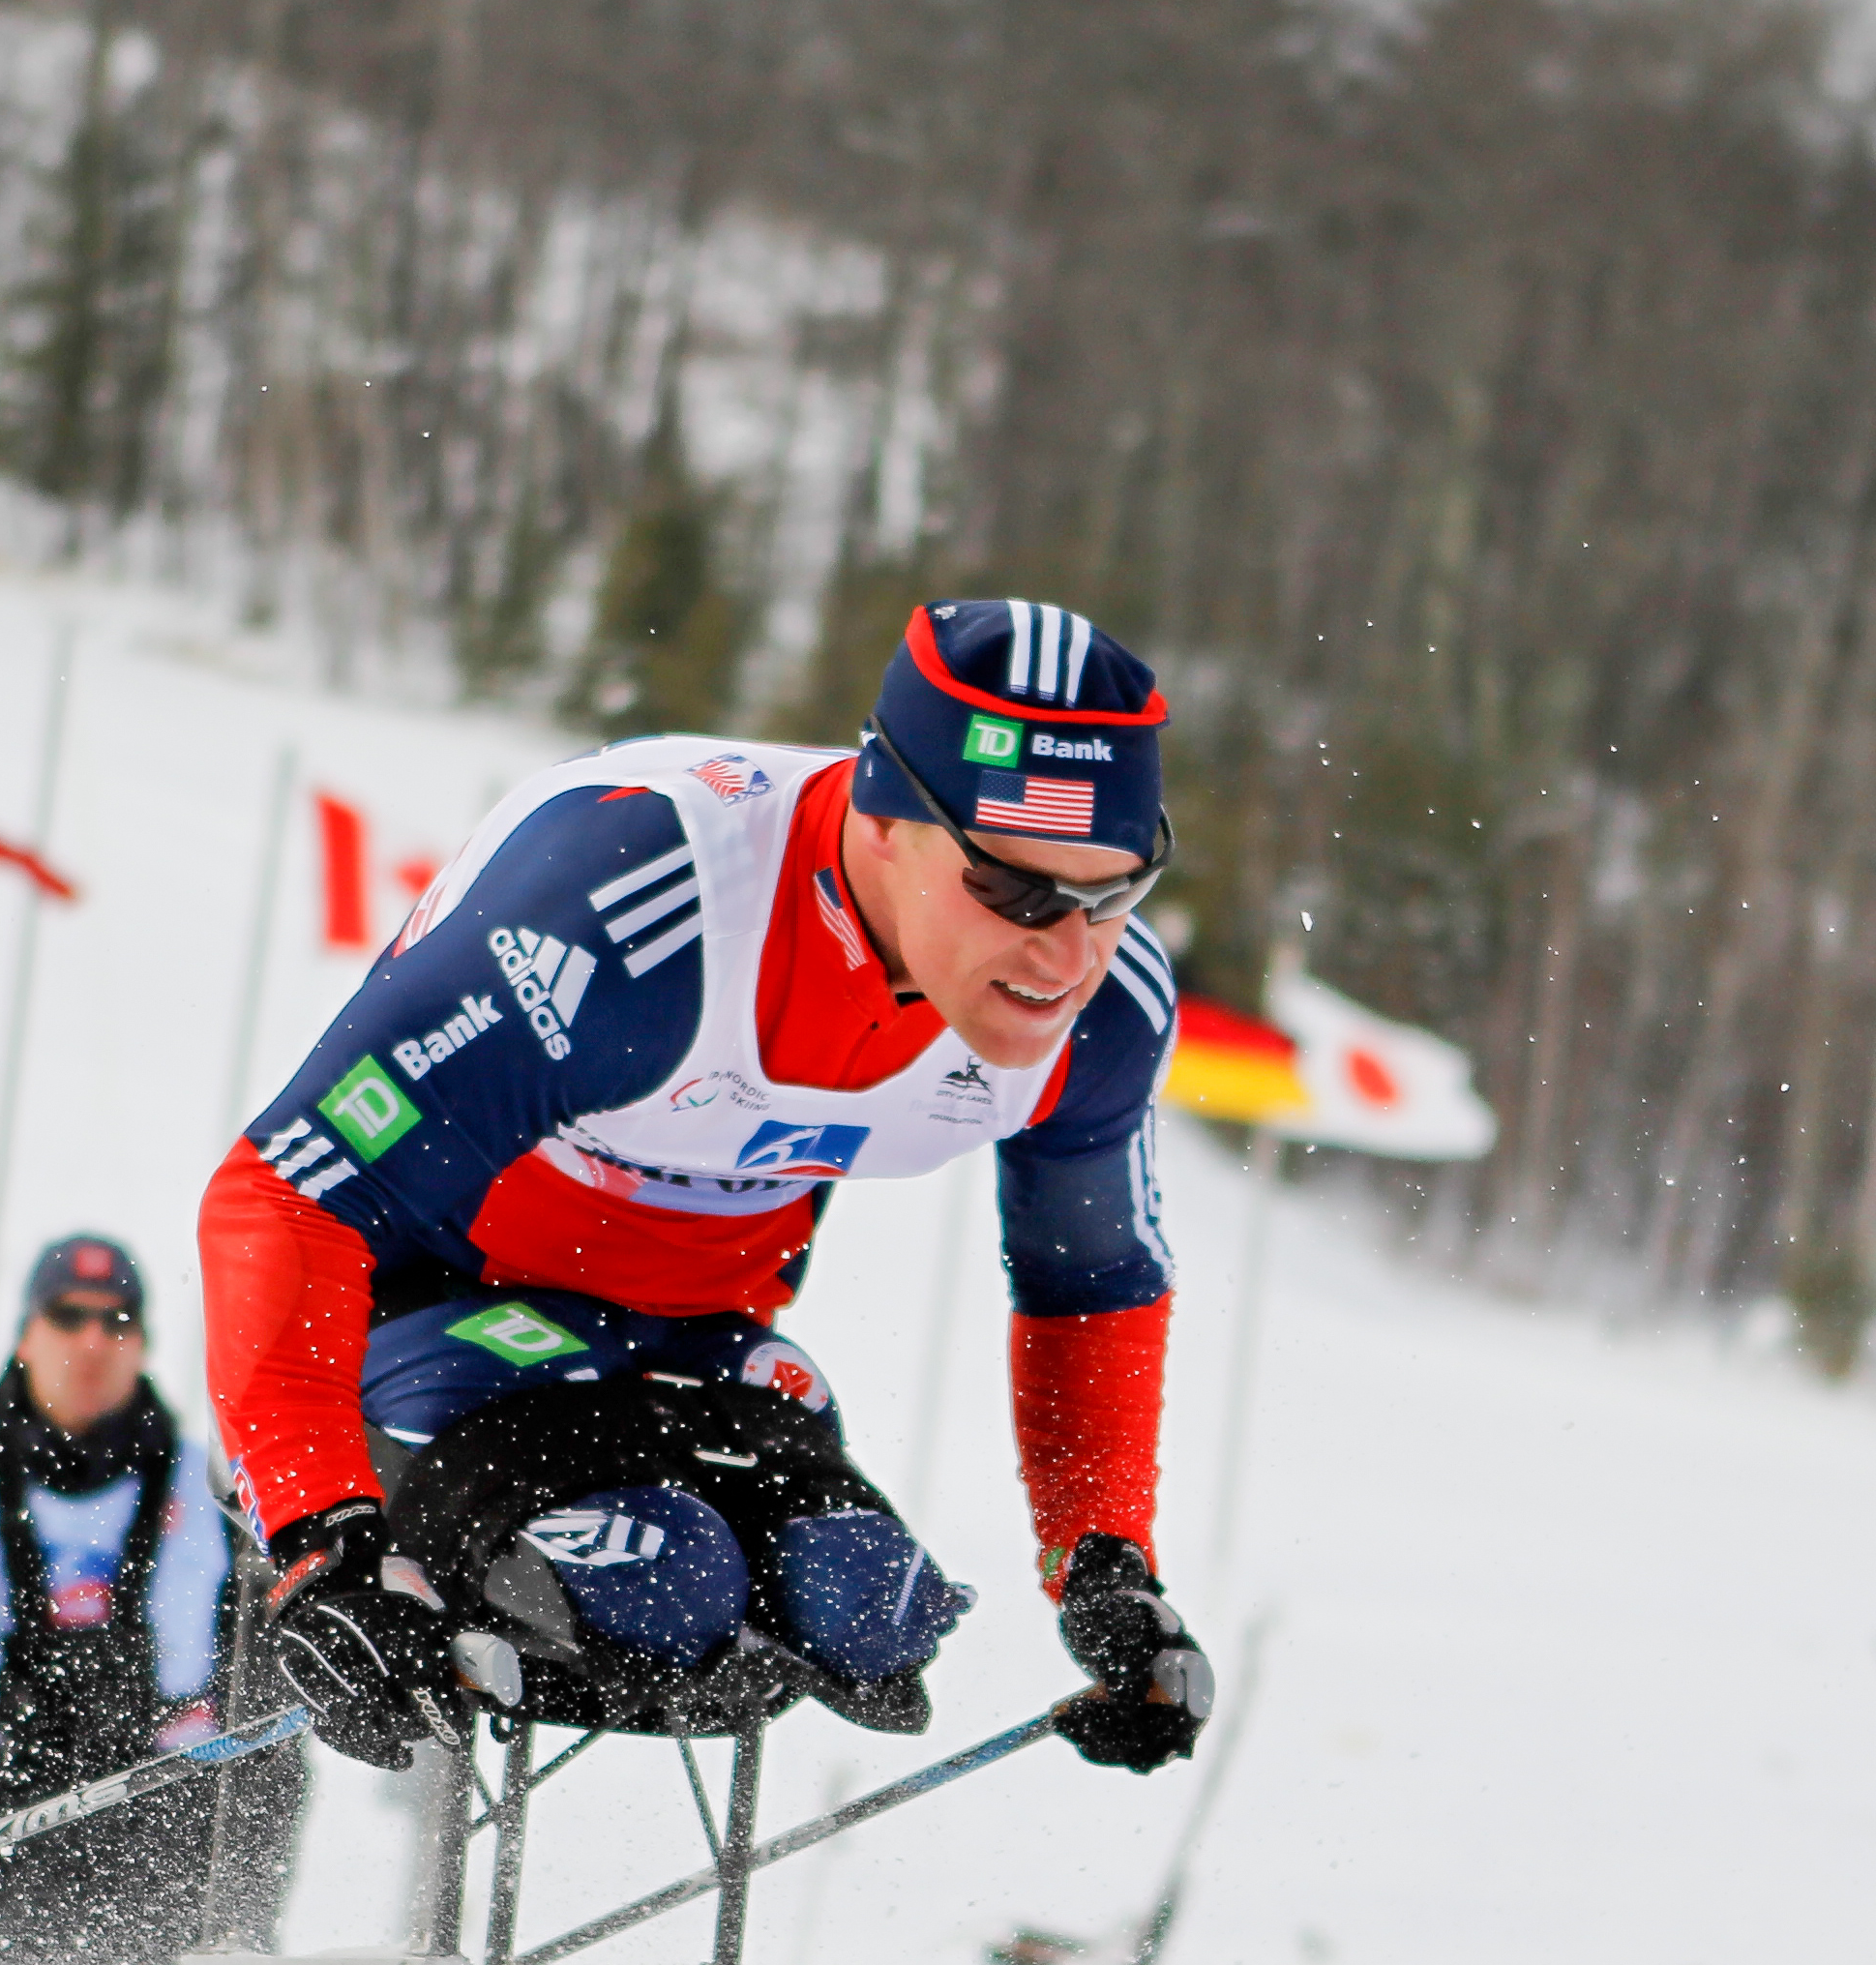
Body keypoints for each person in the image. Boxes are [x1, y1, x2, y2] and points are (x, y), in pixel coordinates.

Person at [200, 597, 1213, 1774]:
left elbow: (1088, 1282)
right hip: (426, 1311)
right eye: (1016, 893)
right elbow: (283, 1192)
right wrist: (322, 1535)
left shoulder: (1107, 1008)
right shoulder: (634, 913)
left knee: (864, 1605)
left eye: (1113, 892)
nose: (1065, 956)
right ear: (883, 818)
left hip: (692, 1340)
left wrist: (1104, 1562)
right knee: (657, 1587)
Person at [0, 1235, 305, 1965]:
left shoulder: (220, 1502)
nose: (91, 1342)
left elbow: (274, 1710)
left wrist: (247, 1895)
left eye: (116, 1323)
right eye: (67, 1316)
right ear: (25, 1335)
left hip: (164, 1815)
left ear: (143, 1344)